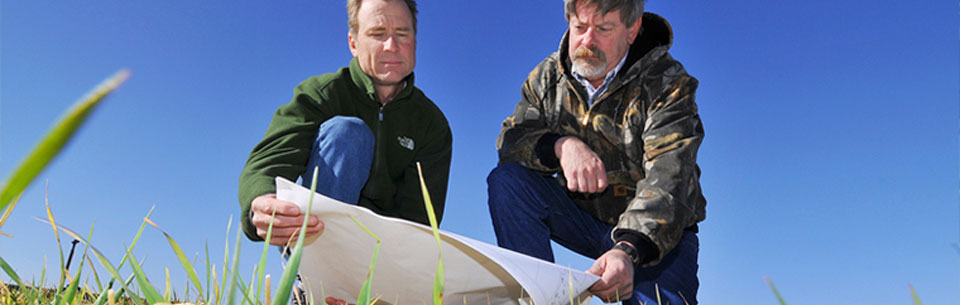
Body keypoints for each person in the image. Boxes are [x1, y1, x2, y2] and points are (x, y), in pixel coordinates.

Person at [487, 0, 706, 304]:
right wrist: (560, 147)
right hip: (583, 218)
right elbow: (512, 142)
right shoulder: (547, 78)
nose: (587, 41)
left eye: (603, 29)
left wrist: (628, 249)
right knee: (508, 180)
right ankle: (537, 296)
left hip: (658, 235)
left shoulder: (669, 83)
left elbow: (670, 176)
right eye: (579, 27)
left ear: (632, 30)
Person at [237, 0, 451, 302]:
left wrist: (385, 287)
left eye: (403, 34)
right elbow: (269, 164)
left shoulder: (432, 124)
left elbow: (419, 220)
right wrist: (259, 201)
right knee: (347, 133)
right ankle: (312, 286)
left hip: (382, 253)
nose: (392, 45)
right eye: (378, 33)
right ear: (354, 42)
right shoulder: (321, 94)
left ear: (415, 40)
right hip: (317, 239)